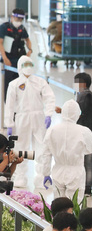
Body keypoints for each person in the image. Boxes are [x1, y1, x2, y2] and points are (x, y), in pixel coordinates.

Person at [4, 55, 56, 188]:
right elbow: (9, 105)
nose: (28, 67)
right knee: (21, 146)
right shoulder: (14, 84)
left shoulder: (40, 82)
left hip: (38, 118)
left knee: (41, 146)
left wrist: (48, 114)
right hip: (21, 118)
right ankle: (20, 176)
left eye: (30, 64)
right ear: (20, 66)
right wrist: (9, 123)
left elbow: (49, 98)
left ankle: (41, 177)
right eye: (25, 64)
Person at [40, 100, 92, 198]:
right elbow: (90, 149)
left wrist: (46, 173)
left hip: (58, 170)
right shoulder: (84, 131)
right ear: (78, 115)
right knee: (74, 205)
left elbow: (46, 154)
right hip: (76, 172)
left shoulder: (52, 130)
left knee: (59, 205)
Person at [74, 72, 92, 194]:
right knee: (89, 161)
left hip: (82, 133)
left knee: (83, 161)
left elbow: (78, 113)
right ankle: (88, 188)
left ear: (83, 84)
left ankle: (84, 186)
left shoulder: (82, 96)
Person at [0, 9, 32, 99]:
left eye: (21, 20)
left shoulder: (21, 28)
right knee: (9, 83)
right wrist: (5, 58)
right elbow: (0, 43)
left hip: (20, 59)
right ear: (12, 17)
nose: (19, 22)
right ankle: (9, 102)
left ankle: (20, 102)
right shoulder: (4, 27)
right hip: (9, 59)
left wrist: (30, 49)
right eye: (17, 20)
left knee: (22, 82)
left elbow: (27, 40)